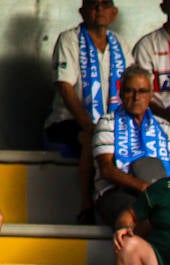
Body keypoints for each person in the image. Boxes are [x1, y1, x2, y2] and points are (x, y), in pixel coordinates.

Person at [46, 0, 126, 222]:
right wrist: (90, 125)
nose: (99, 9)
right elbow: (64, 86)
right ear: (82, 11)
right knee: (93, 136)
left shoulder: (120, 44)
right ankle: (86, 206)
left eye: (105, 4)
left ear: (114, 13)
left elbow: (131, 86)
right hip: (68, 121)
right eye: (93, 4)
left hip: (110, 122)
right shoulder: (69, 39)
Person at [92, 67, 170, 227]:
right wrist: (144, 187)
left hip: (160, 193)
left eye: (142, 91)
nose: (136, 97)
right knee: (143, 218)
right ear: (120, 93)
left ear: (151, 95)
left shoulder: (164, 126)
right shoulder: (107, 123)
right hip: (117, 192)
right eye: (130, 91)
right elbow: (107, 170)